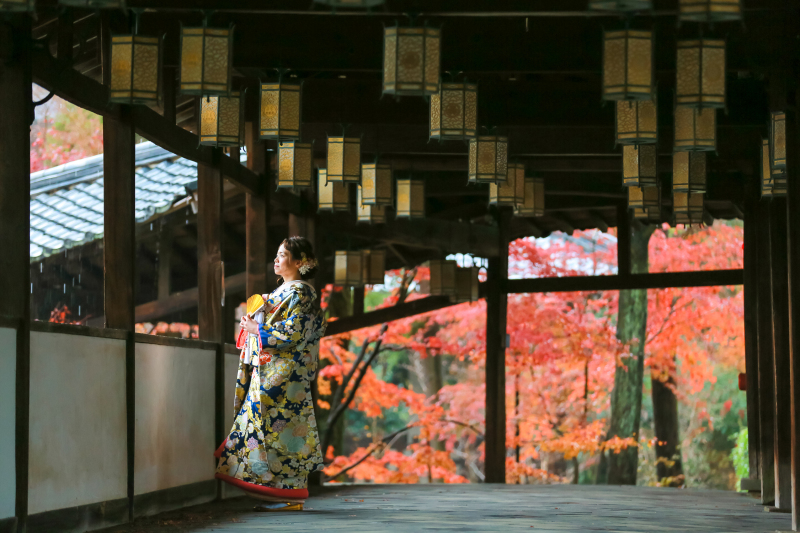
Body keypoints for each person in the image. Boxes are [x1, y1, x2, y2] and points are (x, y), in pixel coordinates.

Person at [214, 236, 326, 512]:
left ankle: (288, 493)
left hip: (284, 375)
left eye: (282, 255)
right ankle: (282, 493)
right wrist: (251, 325)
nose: (275, 259)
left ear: (299, 263)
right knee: (275, 429)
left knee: (279, 429)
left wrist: (258, 330)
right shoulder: (285, 291)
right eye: (276, 254)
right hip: (272, 369)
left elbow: (295, 332)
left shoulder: (301, 292)